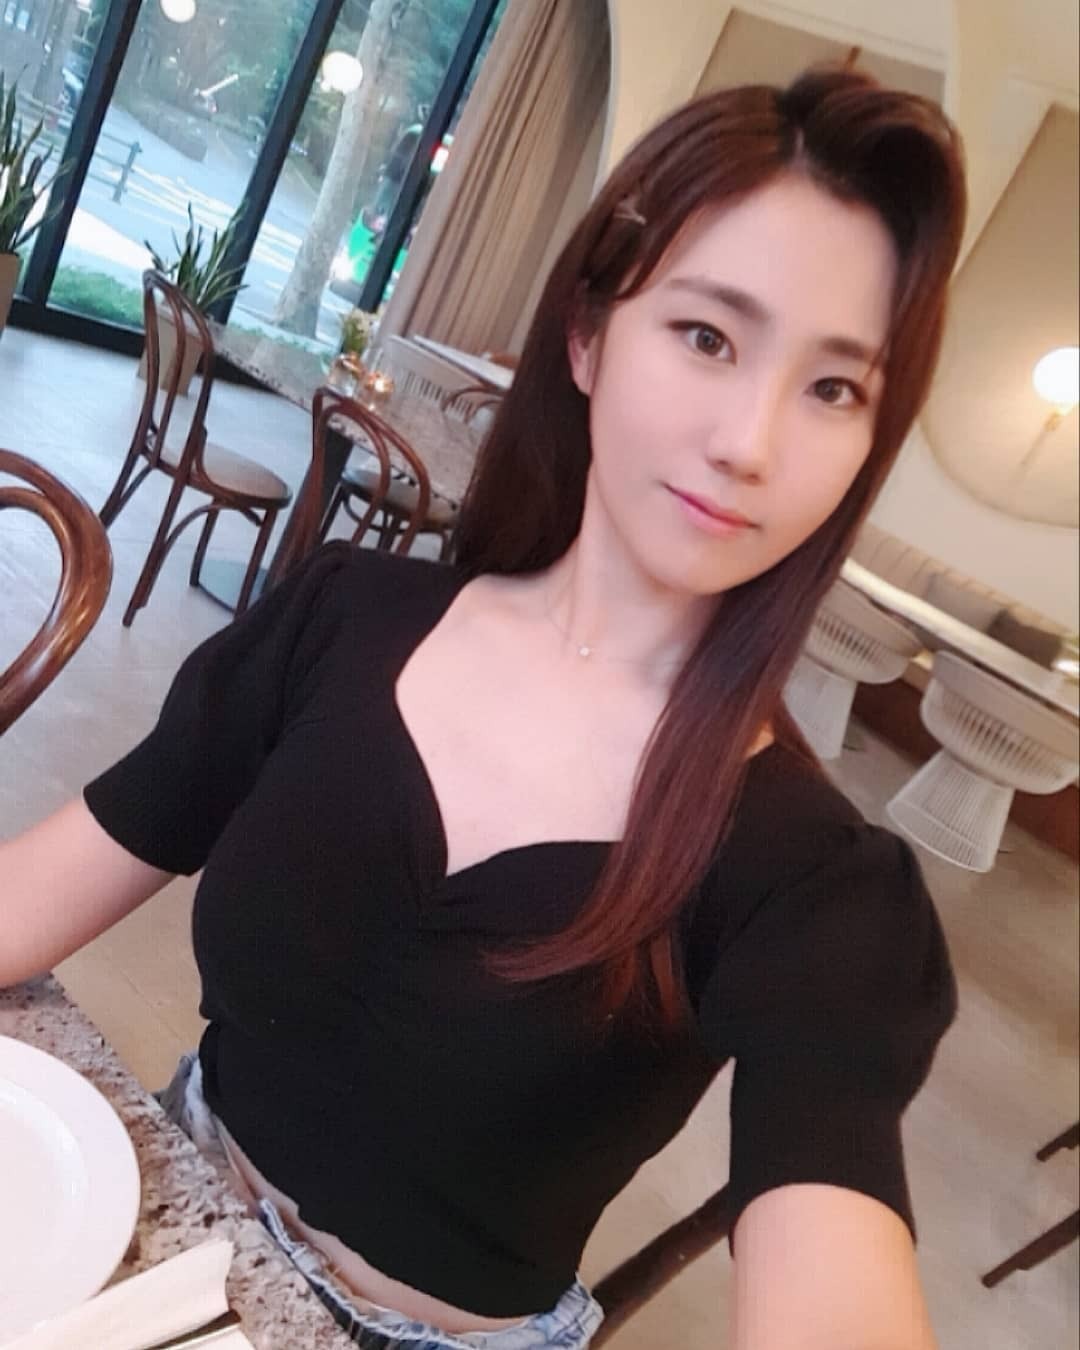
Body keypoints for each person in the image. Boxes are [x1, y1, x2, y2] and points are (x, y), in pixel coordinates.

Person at [1, 67, 966, 1350]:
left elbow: (835, 1245)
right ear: (588, 335)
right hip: (158, 1222)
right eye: (708, 336)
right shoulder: (344, 616)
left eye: (835, 388)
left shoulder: (818, 886)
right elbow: (53, 879)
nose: (752, 441)